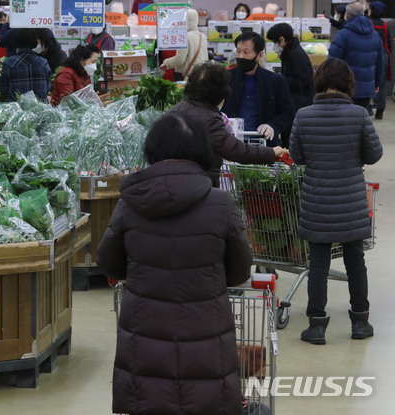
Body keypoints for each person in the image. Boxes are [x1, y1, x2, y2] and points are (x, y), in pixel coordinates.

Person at [97, 111, 251, 415]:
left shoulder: (131, 202)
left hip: (145, 333)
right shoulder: (221, 204)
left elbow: (109, 263)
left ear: (153, 149)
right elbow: (239, 272)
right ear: (201, 151)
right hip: (205, 333)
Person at [289, 58, 382, 345]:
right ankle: (360, 322)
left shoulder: (303, 115)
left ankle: (316, 325)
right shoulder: (359, 115)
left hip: (317, 201)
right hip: (351, 201)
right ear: (348, 84)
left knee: (318, 263)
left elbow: (297, 155)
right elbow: (374, 154)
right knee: (356, 261)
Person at [168, 63, 288, 186]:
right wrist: (271, 153)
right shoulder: (210, 119)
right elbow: (237, 150)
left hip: (171, 180)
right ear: (220, 94)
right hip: (196, 184)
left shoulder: (175, 110)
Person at [221, 32, 295, 148]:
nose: (241, 57)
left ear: (259, 55)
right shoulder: (225, 78)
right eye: (238, 51)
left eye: (246, 52)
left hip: (264, 145)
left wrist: (272, 126)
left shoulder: (275, 81)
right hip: (230, 144)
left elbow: (288, 113)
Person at [328, 1, 384, 112]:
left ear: (347, 15)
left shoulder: (343, 35)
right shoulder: (375, 35)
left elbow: (332, 63)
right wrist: (377, 83)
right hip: (367, 88)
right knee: (361, 119)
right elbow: (379, 62)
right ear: (363, 13)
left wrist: (330, 85)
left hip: (346, 88)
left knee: (346, 120)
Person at [266, 23, 314, 146]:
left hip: (299, 104)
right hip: (293, 102)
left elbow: (304, 80)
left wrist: (281, 81)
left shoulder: (296, 54)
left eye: (275, 42)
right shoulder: (289, 53)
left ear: (282, 39)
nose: (275, 46)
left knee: (292, 139)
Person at [0, 29, 52, 102]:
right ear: (35, 43)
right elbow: (48, 87)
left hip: (16, 110)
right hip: (40, 110)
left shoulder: (9, 64)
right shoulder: (43, 63)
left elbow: (3, 89)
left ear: (15, 42)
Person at [159, 8, 208, 81]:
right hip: (201, 77)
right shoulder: (202, 36)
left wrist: (166, 63)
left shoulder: (183, 36)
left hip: (188, 78)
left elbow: (180, 59)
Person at [368, 1, 391, 119]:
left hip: (370, 54)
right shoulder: (385, 25)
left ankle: (367, 107)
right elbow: (388, 43)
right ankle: (380, 111)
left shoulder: (368, 23)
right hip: (384, 55)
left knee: (367, 81)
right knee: (381, 84)